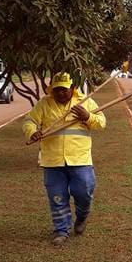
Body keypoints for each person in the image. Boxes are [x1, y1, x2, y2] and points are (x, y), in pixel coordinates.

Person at [21, 72, 105, 246]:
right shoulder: (44, 104)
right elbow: (29, 121)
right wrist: (32, 132)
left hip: (80, 159)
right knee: (57, 197)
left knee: (84, 192)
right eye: (56, 90)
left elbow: (102, 122)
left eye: (64, 90)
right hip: (53, 160)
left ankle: (82, 217)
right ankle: (61, 230)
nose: (60, 93)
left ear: (73, 89)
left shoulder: (85, 102)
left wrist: (87, 116)